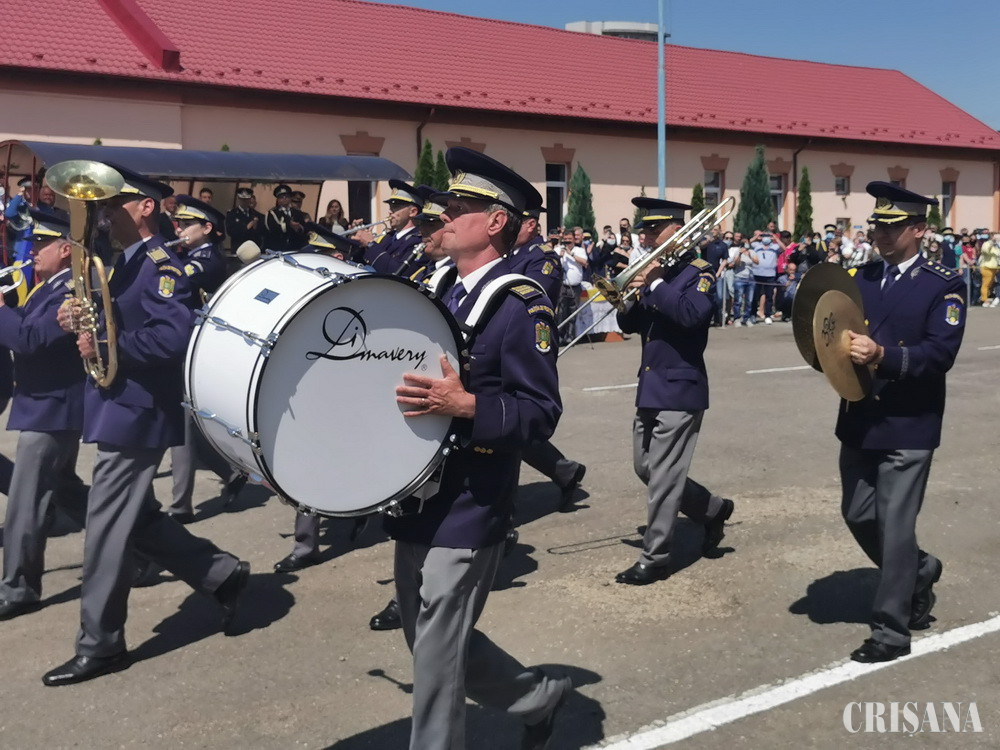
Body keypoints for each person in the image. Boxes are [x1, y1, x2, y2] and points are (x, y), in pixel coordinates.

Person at [386, 147, 572, 749]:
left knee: (436, 657)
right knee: (426, 638)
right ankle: (536, 697)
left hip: (471, 498)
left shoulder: (520, 304)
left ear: (495, 222)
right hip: (417, 490)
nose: (442, 216)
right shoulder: (434, 289)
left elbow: (541, 413)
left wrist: (468, 406)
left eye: (458, 207)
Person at [46, 165, 250, 686]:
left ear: (146, 207)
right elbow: (114, 321)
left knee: (106, 530)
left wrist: (106, 344)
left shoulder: (159, 264)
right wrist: (77, 320)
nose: (103, 213)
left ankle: (101, 644)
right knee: (136, 518)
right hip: (119, 405)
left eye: (114, 203)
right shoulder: (123, 262)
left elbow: (174, 336)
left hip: (137, 412)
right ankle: (220, 573)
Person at [836, 182, 966, 663]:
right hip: (860, 415)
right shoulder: (859, 277)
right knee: (857, 514)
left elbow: (939, 354)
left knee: (894, 527)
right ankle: (919, 569)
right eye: (878, 225)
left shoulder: (943, 283)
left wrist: (883, 356)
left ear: (919, 229)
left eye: (893, 227)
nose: (882, 234)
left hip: (910, 421)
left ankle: (891, 630)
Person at [614, 196, 734, 586]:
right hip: (651, 385)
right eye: (644, 230)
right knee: (646, 468)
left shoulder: (699, 271)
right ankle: (711, 509)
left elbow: (692, 315)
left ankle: (656, 557)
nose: (646, 237)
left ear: (678, 230)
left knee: (664, 477)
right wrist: (626, 296)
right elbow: (631, 325)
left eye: (653, 230)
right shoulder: (656, 272)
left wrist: (655, 283)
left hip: (681, 387)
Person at [0, 210, 89, 619]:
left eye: (42, 244)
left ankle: (19, 588)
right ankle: (139, 549)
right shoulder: (46, 287)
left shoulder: (71, 289)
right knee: (68, 493)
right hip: (44, 405)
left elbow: (30, 339)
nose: (32, 250)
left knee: (26, 502)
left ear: (65, 249)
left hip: (54, 409)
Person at [167, 195, 246, 524]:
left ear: (207, 228)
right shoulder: (186, 255)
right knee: (184, 425)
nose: (180, 229)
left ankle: (180, 504)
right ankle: (231, 472)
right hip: (180, 345)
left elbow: (174, 284)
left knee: (180, 425)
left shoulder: (207, 260)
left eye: (188, 224)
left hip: (193, 348)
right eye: (179, 223)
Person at [356, 180, 424, 275]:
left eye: (395, 207)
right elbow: (362, 263)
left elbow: (396, 271)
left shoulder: (419, 240)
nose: (390, 211)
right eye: (390, 207)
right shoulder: (388, 237)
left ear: (413, 212)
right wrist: (357, 242)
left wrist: (371, 244)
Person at [263, 183, 305, 251]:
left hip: (294, 248)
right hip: (277, 248)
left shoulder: (297, 212)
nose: (284, 199)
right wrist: (289, 225)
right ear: (278, 199)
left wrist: (299, 228)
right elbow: (273, 229)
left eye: (287, 196)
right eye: (281, 197)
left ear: (290, 198)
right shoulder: (272, 213)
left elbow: (303, 228)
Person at [225, 187, 264, 252]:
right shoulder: (232, 214)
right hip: (238, 248)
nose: (244, 201)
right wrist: (246, 227)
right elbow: (230, 231)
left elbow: (261, 233)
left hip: (253, 249)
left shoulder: (256, 214)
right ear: (238, 199)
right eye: (242, 199)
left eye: (246, 199)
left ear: (250, 199)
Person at [978, 232, 1000, 307]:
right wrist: (992, 243)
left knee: (990, 285)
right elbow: (986, 251)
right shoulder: (987, 244)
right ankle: (984, 300)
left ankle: (985, 298)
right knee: (986, 284)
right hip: (987, 267)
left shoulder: (996, 245)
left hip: (994, 267)